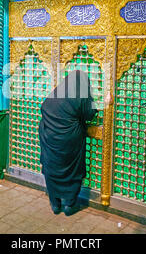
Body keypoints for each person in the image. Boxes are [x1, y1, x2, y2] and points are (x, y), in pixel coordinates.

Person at [38, 69, 112, 216]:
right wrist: (105, 103)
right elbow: (89, 114)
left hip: (49, 138)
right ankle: (70, 205)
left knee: (51, 167)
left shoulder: (56, 93)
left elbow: (44, 108)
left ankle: (55, 203)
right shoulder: (80, 95)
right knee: (72, 170)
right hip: (70, 142)